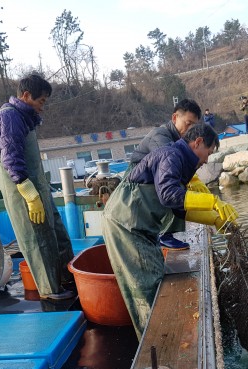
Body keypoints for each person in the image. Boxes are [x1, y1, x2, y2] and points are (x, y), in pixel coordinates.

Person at [102, 123, 239, 337]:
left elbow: (178, 209)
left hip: (141, 227)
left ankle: (161, 336)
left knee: (154, 278)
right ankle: (158, 343)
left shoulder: (181, 161)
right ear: (198, 142)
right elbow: (168, 195)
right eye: (208, 153)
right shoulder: (171, 155)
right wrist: (212, 201)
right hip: (126, 225)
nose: (206, 160)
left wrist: (214, 219)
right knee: (148, 286)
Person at [0, 74, 75, 301]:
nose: (42, 107)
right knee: (38, 240)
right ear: (26, 96)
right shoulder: (10, 116)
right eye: (41, 101)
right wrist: (28, 193)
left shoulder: (24, 117)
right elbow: (10, 157)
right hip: (25, 191)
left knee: (57, 234)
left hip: (40, 190)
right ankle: (50, 291)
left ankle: (68, 278)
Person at [130, 99, 205, 251]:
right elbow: (168, 167)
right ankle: (165, 234)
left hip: (149, 180)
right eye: (188, 123)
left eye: (194, 126)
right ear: (174, 118)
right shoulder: (160, 135)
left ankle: (168, 233)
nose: (191, 129)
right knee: (173, 187)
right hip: (136, 184)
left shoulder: (181, 139)